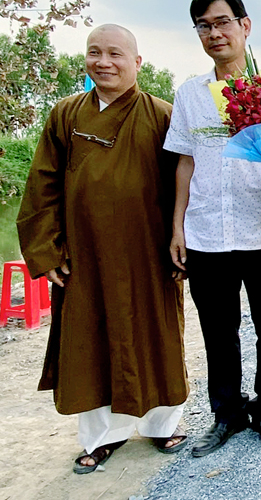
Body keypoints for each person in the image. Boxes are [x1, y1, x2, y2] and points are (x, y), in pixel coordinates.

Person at [16, 24, 188, 473]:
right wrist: (46, 250)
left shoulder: (162, 115)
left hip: (148, 251)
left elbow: (186, 184)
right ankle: (102, 437)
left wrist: (182, 239)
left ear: (137, 63)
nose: (104, 62)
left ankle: (161, 424)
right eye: (95, 53)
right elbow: (42, 185)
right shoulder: (66, 114)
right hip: (84, 253)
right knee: (89, 341)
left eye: (115, 53)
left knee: (156, 335)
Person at [164, 0, 261, 457]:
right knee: (217, 330)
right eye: (204, 26)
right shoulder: (189, 94)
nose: (214, 33)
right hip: (207, 233)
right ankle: (226, 414)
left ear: (245, 26)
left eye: (222, 22)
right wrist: (177, 227)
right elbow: (185, 161)